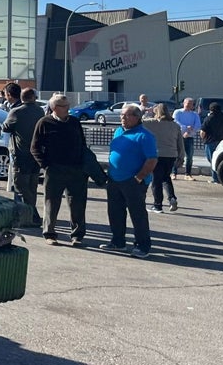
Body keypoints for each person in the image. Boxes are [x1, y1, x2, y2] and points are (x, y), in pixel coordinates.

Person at [31, 93, 90, 246]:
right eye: (64, 106)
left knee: (77, 203)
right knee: (51, 202)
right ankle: (50, 234)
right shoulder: (44, 123)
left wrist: (83, 165)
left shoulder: (75, 122)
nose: (68, 109)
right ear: (54, 108)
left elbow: (82, 144)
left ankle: (77, 235)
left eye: (68, 105)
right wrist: (45, 165)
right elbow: (34, 147)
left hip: (76, 170)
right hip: (54, 170)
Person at [100, 104, 158, 258]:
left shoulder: (145, 135)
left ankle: (142, 245)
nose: (123, 118)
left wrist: (138, 178)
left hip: (133, 182)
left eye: (127, 115)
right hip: (114, 179)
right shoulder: (118, 132)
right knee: (115, 212)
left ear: (137, 117)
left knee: (137, 214)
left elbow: (152, 160)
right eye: (121, 115)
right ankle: (118, 242)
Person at [1, 86, 44, 228]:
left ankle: (32, 215)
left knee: (21, 186)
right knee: (32, 186)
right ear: (33, 97)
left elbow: (5, 127)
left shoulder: (16, 112)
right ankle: (30, 214)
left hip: (21, 153)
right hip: (36, 154)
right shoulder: (39, 110)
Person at [143, 103, 184, 213]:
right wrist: (181, 156)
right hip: (171, 155)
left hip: (157, 154)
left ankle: (157, 205)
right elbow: (180, 142)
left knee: (156, 180)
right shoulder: (175, 125)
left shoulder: (152, 123)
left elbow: (139, 121)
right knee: (166, 178)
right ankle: (172, 198)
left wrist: (146, 112)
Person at [200, 102, 223, 184]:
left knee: (212, 160)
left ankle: (216, 178)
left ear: (211, 110)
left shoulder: (208, 119)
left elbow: (202, 132)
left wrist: (204, 139)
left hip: (211, 142)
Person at [173, 98, 202, 178]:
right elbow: (175, 122)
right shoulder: (178, 112)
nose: (189, 105)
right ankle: (174, 173)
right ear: (184, 103)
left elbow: (197, 125)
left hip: (189, 137)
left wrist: (188, 132)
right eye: (188, 103)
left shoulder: (195, 114)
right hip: (178, 137)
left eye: (191, 104)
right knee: (176, 155)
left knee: (189, 156)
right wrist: (186, 127)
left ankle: (188, 174)